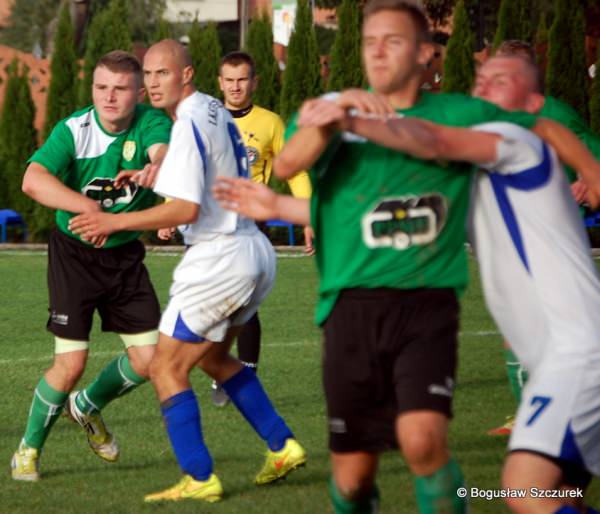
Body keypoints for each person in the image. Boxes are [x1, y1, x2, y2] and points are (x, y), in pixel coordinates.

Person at [221, 0, 572, 511]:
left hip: (427, 304)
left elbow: (543, 127)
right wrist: (337, 117)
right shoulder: (332, 110)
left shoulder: (459, 114)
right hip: (350, 310)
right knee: (353, 478)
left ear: (427, 53)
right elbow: (288, 162)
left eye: (394, 40)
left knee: (423, 442)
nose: (378, 52)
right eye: (369, 42)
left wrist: (588, 168)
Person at [68, 39, 305, 503]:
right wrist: (150, 176)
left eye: (162, 73)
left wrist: (113, 220)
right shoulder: (213, 110)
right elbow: (204, 171)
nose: (152, 83)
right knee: (215, 359)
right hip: (254, 251)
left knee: (165, 368)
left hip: (218, 260)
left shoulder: (190, 121)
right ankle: (283, 446)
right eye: (148, 75)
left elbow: (184, 208)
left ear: (187, 74)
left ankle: (198, 476)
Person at [10, 50, 172, 482]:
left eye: (120, 89)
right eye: (101, 87)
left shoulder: (152, 122)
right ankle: (28, 450)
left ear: (138, 92)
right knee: (71, 364)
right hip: (74, 255)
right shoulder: (75, 129)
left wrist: (159, 169)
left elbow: (163, 152)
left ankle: (86, 406)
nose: (109, 97)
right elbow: (32, 179)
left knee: (150, 359)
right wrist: (85, 206)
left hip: (123, 256)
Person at [484, 39, 600, 436]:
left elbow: (593, 153)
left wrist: (586, 181)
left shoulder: (554, 114)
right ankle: (537, 415)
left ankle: (542, 421)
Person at [209, 50, 314, 407]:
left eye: (243, 80)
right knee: (214, 303)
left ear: (254, 82)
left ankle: (244, 377)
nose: (236, 87)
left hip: (251, 223)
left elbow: (295, 170)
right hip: (209, 224)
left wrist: (308, 214)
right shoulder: (206, 119)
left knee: (244, 303)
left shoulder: (270, 123)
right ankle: (224, 368)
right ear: (220, 83)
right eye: (229, 80)